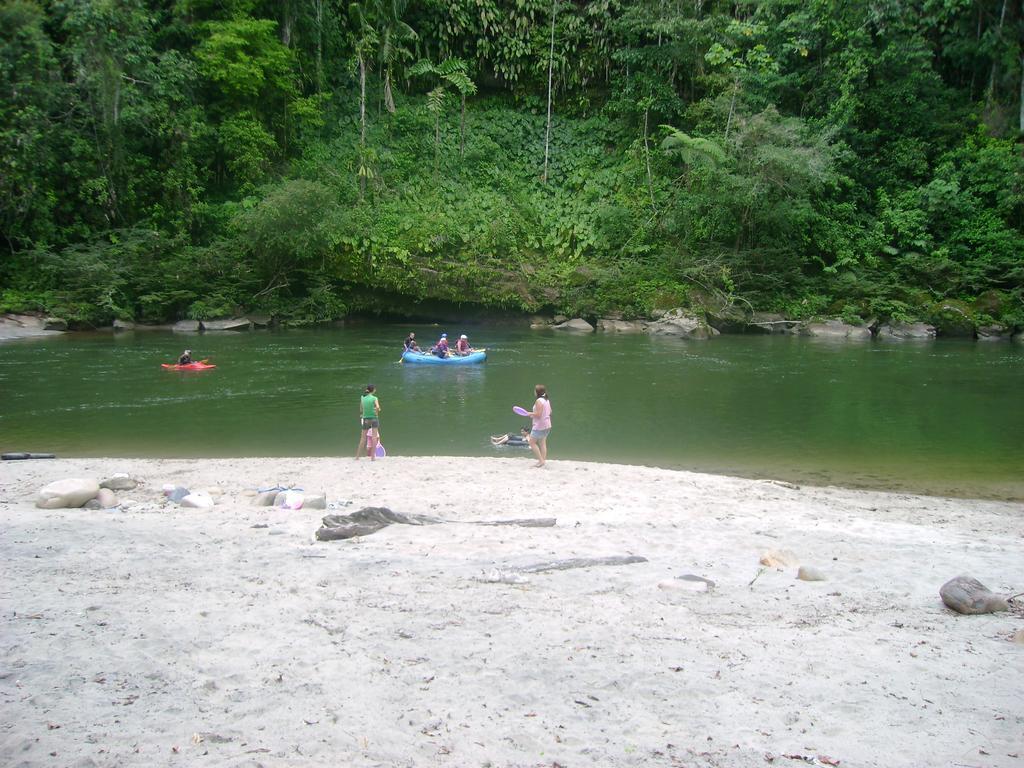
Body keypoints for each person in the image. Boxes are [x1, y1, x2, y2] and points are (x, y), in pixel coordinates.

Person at [526, 384, 552, 467]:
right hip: (547, 425)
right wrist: (534, 414)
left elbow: (538, 414)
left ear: (537, 392)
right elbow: (550, 412)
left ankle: (541, 461)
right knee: (542, 443)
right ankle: (543, 460)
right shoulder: (546, 400)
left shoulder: (539, 401)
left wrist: (530, 413)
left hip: (539, 426)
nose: (534, 391)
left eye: (535, 390)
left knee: (532, 442)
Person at [356, 384, 381, 461]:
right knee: (374, 437)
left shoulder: (362, 398)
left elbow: (361, 409)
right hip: (374, 418)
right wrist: (376, 412)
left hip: (366, 419)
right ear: (373, 390)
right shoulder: (374, 398)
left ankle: (357, 457)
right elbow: (377, 407)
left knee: (363, 438)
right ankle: (372, 457)